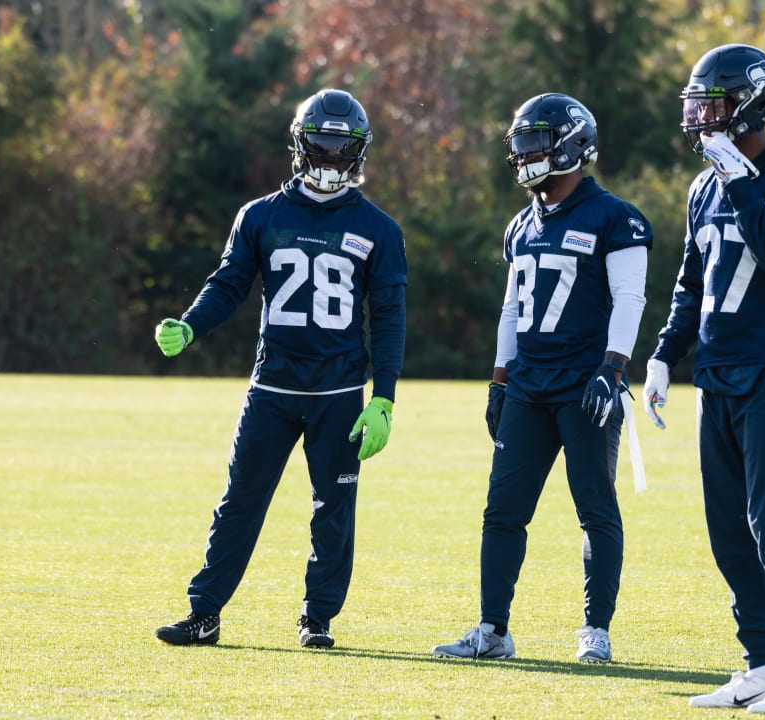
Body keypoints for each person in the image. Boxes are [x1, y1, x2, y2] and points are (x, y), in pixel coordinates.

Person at [152, 88, 407, 650]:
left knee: (334, 507)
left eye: (345, 149)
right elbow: (229, 285)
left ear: (360, 152)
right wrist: (193, 323)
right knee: (240, 500)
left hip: (339, 390)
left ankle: (318, 618)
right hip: (272, 386)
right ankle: (205, 613)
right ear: (300, 143)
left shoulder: (380, 229)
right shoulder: (262, 215)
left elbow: (388, 318)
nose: (333, 158)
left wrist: (384, 396)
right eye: (323, 144)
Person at [642, 44, 765, 714]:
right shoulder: (704, 185)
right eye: (697, 105)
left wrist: (742, 179)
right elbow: (691, 282)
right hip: (717, 371)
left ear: (751, 104)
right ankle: (759, 663)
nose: (702, 117)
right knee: (726, 526)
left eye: (714, 104)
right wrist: (666, 354)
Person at [432, 93, 651, 664]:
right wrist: (499, 380)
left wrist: (613, 366)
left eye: (535, 143)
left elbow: (631, 296)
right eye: (520, 144)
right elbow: (511, 309)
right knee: (502, 510)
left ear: (574, 146)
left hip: (585, 384)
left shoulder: (615, 217)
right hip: (528, 385)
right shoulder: (521, 224)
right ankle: (492, 630)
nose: (525, 154)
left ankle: (596, 630)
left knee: (595, 509)